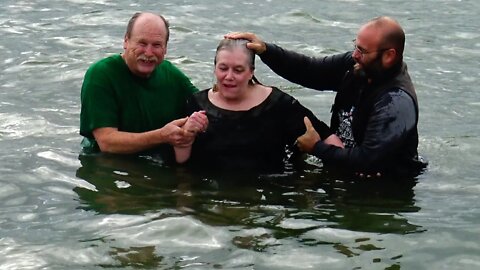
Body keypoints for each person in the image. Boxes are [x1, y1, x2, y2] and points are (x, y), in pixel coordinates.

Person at [226, 16, 427, 177]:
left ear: (389, 55)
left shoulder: (396, 101)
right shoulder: (358, 66)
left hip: (380, 191)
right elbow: (310, 70)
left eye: (362, 51)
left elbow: (368, 160)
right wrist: (267, 51)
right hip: (341, 164)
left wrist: (317, 147)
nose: (355, 55)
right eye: (355, 46)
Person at [174, 38, 343, 172]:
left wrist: (346, 166)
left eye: (238, 70)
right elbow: (180, 163)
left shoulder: (278, 104)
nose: (229, 76)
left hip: (268, 196)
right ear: (215, 68)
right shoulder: (196, 104)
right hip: (211, 195)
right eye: (223, 68)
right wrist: (186, 137)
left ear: (251, 72)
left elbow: (325, 136)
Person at [80, 12, 207, 162]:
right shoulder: (101, 74)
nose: (148, 52)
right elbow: (107, 143)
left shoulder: (171, 75)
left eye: (156, 45)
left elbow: (209, 105)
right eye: (142, 43)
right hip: (106, 163)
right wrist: (162, 136)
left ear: (165, 49)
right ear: (126, 41)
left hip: (156, 161)